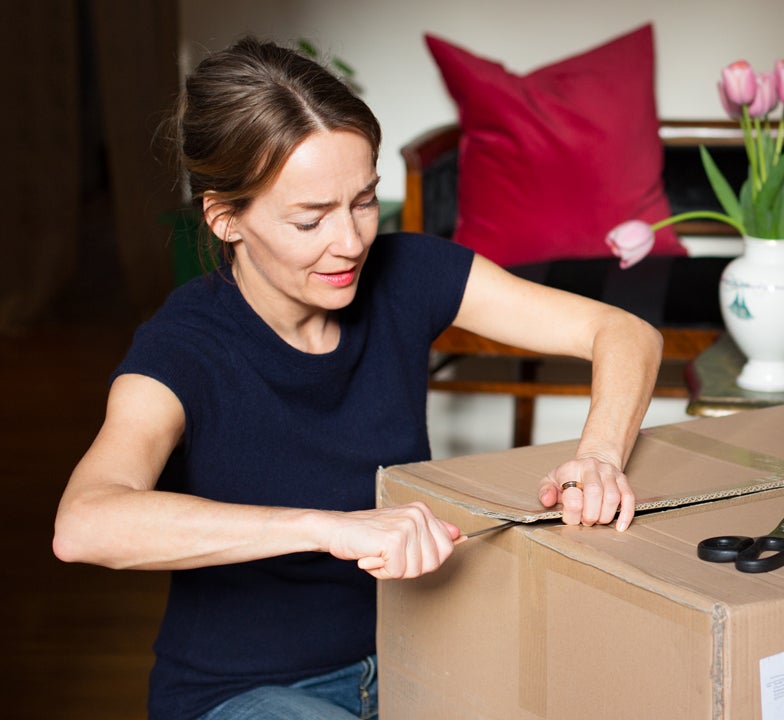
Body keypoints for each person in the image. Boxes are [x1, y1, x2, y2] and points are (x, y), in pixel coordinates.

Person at [51, 37, 662, 720]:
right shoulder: (182, 347)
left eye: (364, 201)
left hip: (412, 659)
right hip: (247, 696)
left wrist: (600, 455)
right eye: (310, 220)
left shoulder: (407, 274)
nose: (349, 242)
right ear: (227, 219)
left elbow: (625, 333)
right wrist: (330, 528)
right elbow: (85, 524)